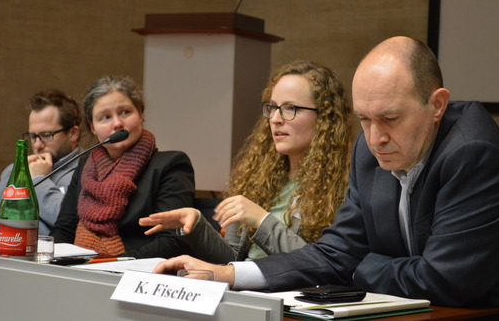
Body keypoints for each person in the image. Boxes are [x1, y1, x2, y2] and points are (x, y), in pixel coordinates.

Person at [153, 36, 499, 311]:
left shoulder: (474, 152)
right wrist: (228, 275)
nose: (375, 138)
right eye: (364, 119)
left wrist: (358, 266)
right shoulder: (368, 151)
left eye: (390, 118)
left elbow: (448, 281)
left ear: (437, 105)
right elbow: (334, 253)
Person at [139, 61, 352, 264]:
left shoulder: (343, 189)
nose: (276, 119)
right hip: (249, 291)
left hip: (290, 297)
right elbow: (232, 260)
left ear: (325, 118)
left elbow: (318, 265)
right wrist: (197, 224)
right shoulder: (258, 179)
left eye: (290, 108)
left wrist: (261, 220)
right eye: (273, 107)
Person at [50, 75, 195, 259]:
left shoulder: (171, 165)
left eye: (125, 112)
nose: (117, 123)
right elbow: (64, 229)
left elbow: (171, 242)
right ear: (92, 126)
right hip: (81, 269)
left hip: (138, 274)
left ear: (141, 114)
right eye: (105, 117)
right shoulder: (85, 165)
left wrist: (110, 263)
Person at [0, 89, 82, 235]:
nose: (37, 145)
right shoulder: (17, 168)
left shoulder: (86, 171)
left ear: (73, 134)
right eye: (32, 136)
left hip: (23, 251)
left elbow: (73, 224)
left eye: (46, 135)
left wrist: (37, 180)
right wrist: (17, 175)